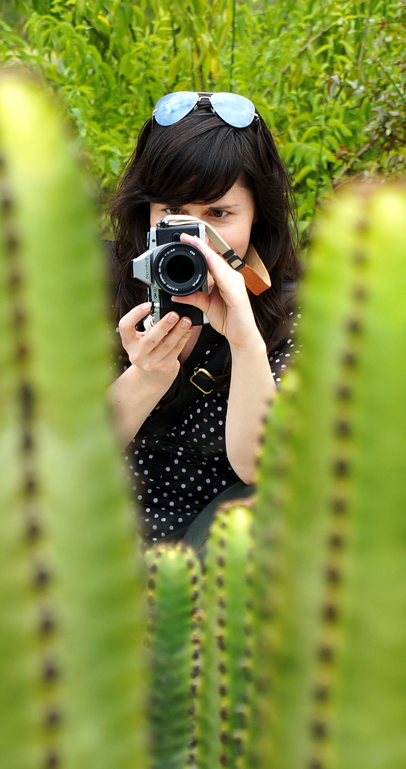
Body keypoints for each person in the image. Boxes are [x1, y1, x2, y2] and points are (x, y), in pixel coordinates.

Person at [105, 91, 301, 551]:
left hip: (227, 544)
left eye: (219, 213)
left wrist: (246, 341)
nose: (196, 238)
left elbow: (265, 472)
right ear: (146, 213)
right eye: (173, 214)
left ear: (257, 216)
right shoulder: (100, 284)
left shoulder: (291, 312)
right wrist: (146, 379)